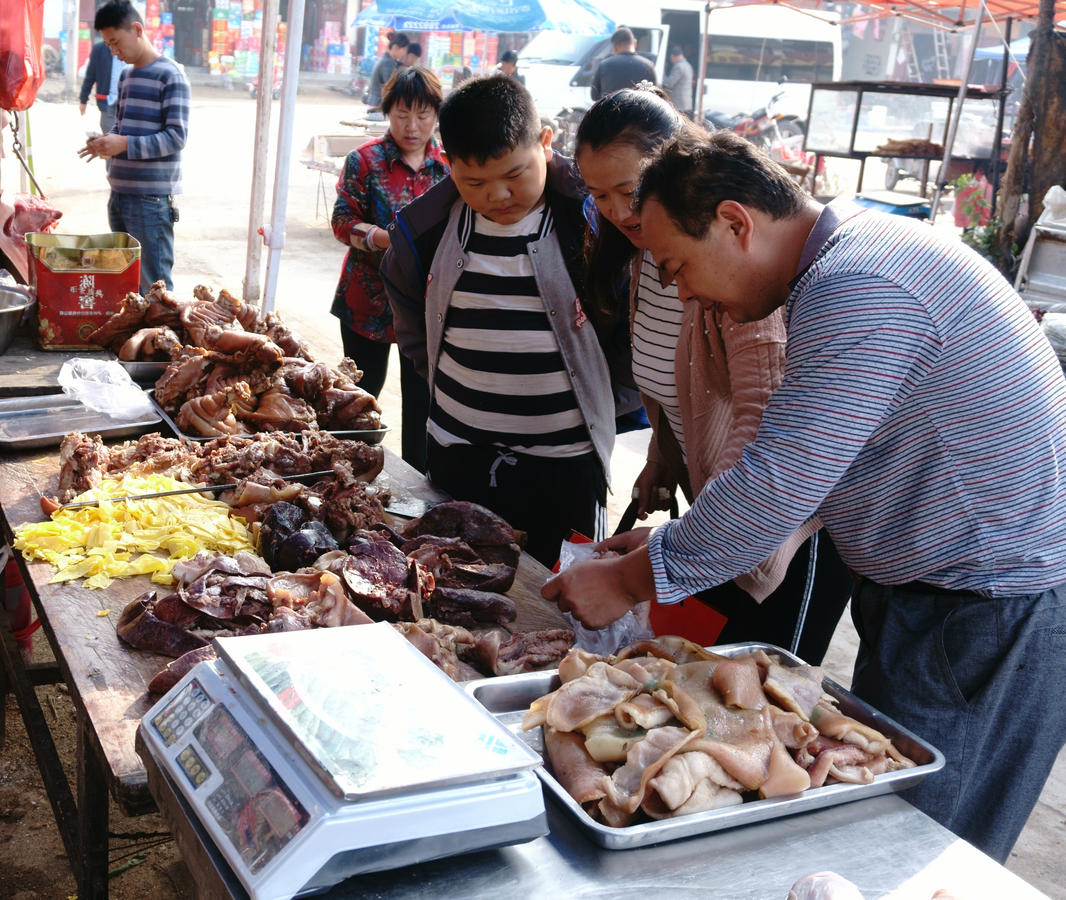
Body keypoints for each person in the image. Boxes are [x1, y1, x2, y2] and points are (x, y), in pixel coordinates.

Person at [543, 129, 1066, 863]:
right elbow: (825, 461)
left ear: (735, 223)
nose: (684, 290)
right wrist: (663, 550)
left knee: (922, 847)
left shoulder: (859, 285)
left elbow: (779, 482)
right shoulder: (850, 255)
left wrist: (633, 579)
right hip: (940, 596)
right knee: (890, 821)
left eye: (680, 266)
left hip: (986, 608)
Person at [575, 88, 851, 664]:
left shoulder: (771, 287)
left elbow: (768, 449)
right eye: (599, 196)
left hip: (779, 538)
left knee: (760, 698)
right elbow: (674, 387)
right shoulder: (650, 259)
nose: (619, 212)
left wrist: (639, 573)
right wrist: (664, 461)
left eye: (629, 192)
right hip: (726, 521)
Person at [383, 75, 641, 568]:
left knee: (555, 597)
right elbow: (413, 329)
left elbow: (638, 334)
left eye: (515, 173)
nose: (498, 195)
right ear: (448, 163)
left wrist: (604, 403)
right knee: (454, 584)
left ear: (545, 143)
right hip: (457, 454)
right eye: (473, 182)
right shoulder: (425, 231)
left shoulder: (593, 225)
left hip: (564, 468)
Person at [330, 67, 445, 472]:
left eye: (422, 115)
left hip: (427, 308)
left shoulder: (450, 167)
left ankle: (419, 487)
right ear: (386, 113)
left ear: (436, 114)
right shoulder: (364, 160)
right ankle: (351, 478)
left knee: (423, 404)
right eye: (401, 115)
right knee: (360, 397)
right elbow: (343, 221)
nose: (411, 126)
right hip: (368, 300)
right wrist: (384, 239)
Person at [78, 0, 190, 294]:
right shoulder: (127, 76)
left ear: (137, 29)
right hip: (119, 194)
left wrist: (123, 144)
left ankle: (159, 340)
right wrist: (106, 141)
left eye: (116, 42)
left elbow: (176, 137)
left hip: (151, 200)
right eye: (108, 45)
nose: (114, 52)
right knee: (126, 283)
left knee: (154, 287)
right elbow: (121, 124)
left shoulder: (171, 76)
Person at [79, 38, 127, 138]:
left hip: (128, 99)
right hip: (109, 99)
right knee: (107, 126)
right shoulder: (99, 49)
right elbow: (90, 75)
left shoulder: (131, 47)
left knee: (125, 131)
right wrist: (83, 100)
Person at [590, 27, 655, 101]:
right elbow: (655, 95)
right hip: (638, 111)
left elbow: (594, 96)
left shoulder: (604, 65)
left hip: (610, 111)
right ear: (635, 43)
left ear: (614, 46)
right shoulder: (648, 65)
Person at [366, 31, 409, 115]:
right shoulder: (388, 62)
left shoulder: (386, 58)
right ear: (395, 47)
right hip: (378, 107)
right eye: (404, 50)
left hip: (375, 104)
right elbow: (391, 87)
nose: (405, 53)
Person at [663, 45, 694, 113]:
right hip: (686, 103)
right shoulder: (688, 65)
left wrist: (663, 74)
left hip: (679, 104)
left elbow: (669, 83)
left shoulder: (679, 66)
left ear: (672, 56)